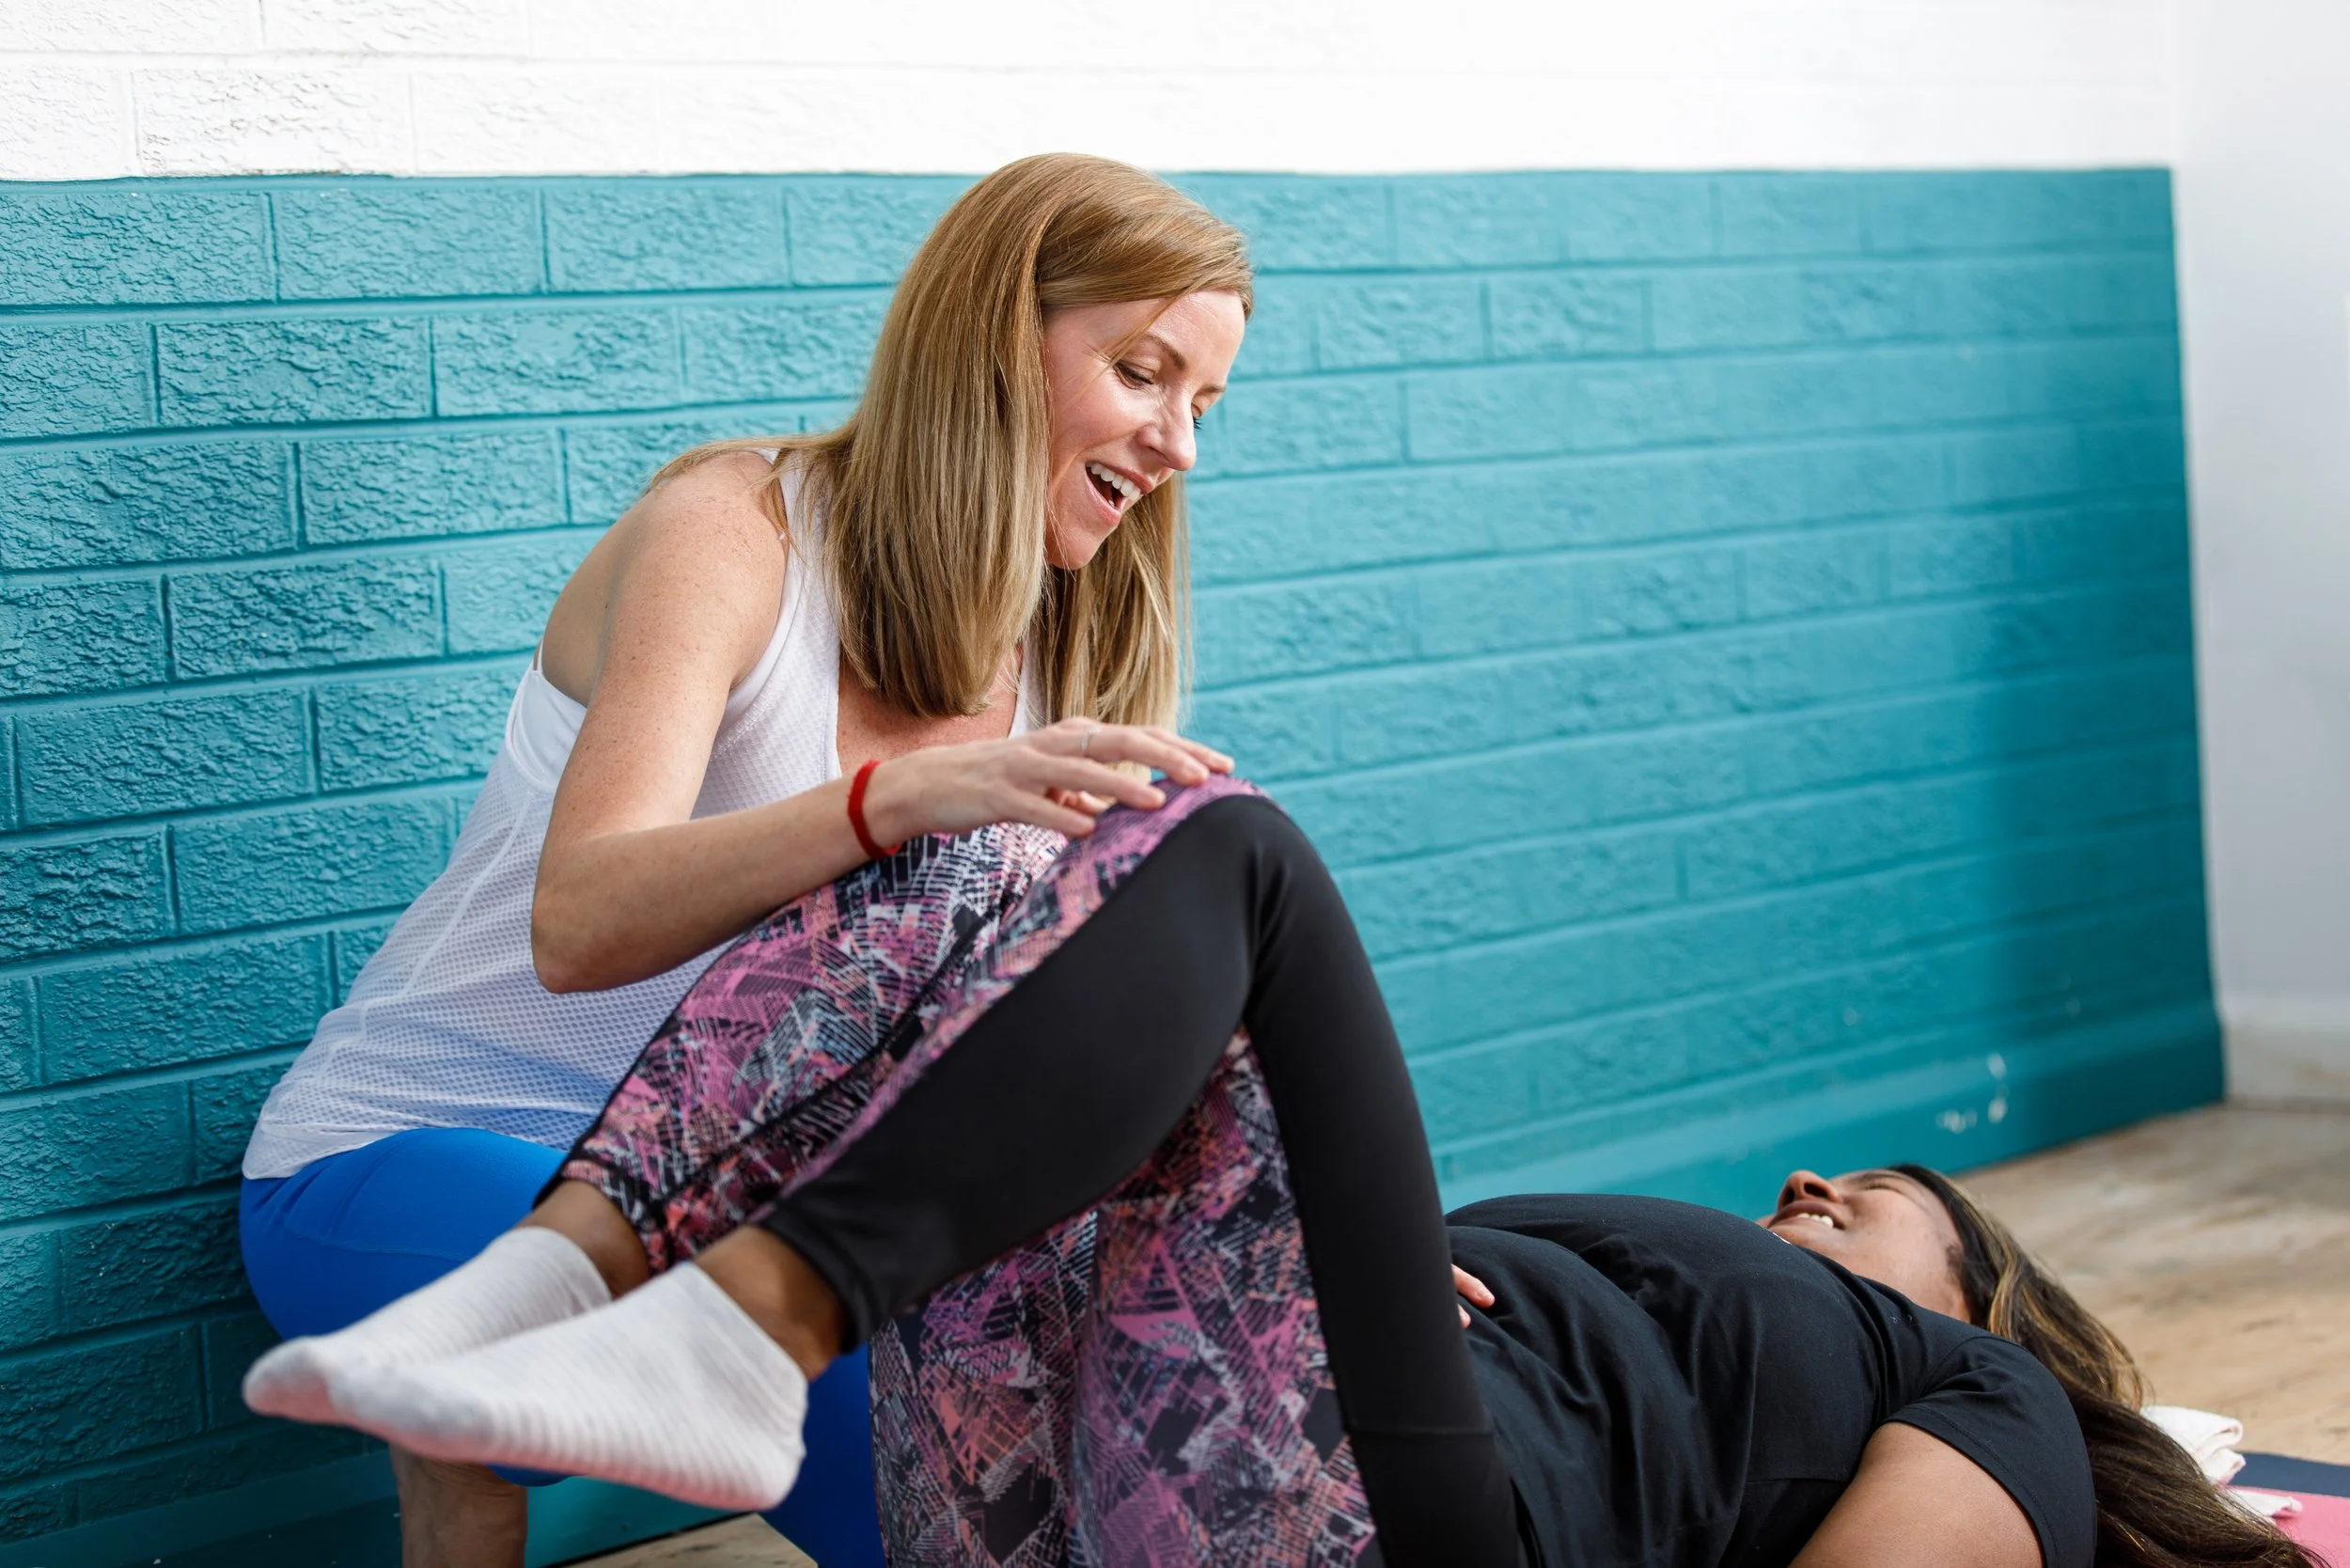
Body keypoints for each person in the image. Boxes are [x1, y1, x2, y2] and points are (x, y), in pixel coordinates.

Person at [244, 779, 2319, 1568]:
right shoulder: (1661, 1287)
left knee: (1225, 840)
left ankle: (745, 1323)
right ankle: (563, 1282)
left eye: (1860, 1198)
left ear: (1970, 1291)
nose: (1802, 1187)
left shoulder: (1974, 1395)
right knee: (971, 853)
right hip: (1091, 1495)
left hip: (1397, 1533)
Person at [235, 151, 1250, 1568]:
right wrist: (893, 797)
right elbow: (578, 923)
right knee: (856, 1380)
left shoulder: (1072, 639)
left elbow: (1087, 1027)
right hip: (411, 1153)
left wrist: (1300, 1232)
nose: (1179, 445)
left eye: (1204, 403)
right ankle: (463, 1441)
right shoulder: (738, 530)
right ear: (996, 346)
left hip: (737, 1214)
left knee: (1049, 1440)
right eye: (1143, 374)